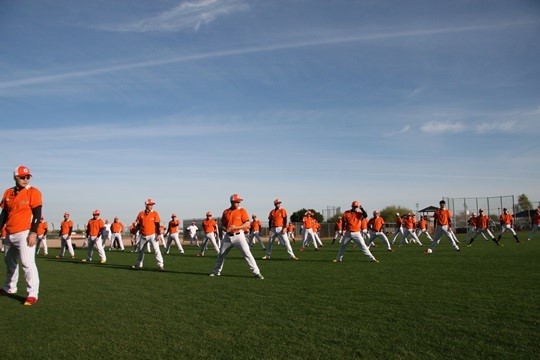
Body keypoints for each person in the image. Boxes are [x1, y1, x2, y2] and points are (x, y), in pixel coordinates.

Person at [0, 165, 42, 306]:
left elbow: (37, 214)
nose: (26, 179)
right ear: (15, 177)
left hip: (25, 232)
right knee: (9, 261)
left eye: (28, 177)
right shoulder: (8, 193)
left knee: (27, 263)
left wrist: (33, 232)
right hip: (10, 233)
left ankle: (32, 294)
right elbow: (4, 214)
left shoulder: (33, 192)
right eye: (23, 177)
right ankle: (10, 287)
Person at [210, 194, 264, 279]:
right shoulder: (226, 212)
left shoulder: (242, 210)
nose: (239, 203)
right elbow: (222, 225)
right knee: (221, 254)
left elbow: (247, 223)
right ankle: (216, 272)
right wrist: (225, 229)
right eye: (237, 201)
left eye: (239, 201)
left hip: (239, 236)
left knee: (247, 253)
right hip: (228, 237)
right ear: (232, 201)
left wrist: (236, 227)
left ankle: (256, 273)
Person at [132, 198, 164, 271]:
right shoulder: (141, 213)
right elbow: (138, 225)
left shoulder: (155, 213)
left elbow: (158, 224)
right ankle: (139, 264)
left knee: (156, 250)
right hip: (142, 235)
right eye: (150, 204)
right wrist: (134, 233)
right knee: (140, 250)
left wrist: (158, 234)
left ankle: (160, 265)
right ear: (146, 205)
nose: (151, 206)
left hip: (152, 235)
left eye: (152, 204)